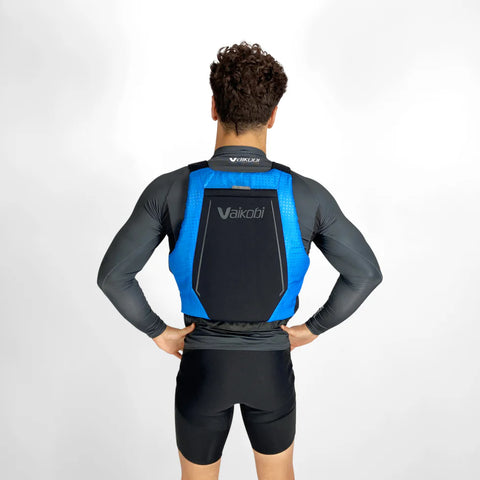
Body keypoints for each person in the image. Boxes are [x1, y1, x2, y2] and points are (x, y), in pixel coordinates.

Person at [97, 41, 383, 480]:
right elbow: (364, 273)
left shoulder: (171, 189)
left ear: (214, 107)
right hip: (271, 369)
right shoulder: (304, 195)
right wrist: (311, 329)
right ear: (273, 115)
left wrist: (159, 331)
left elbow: (114, 276)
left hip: (202, 369)